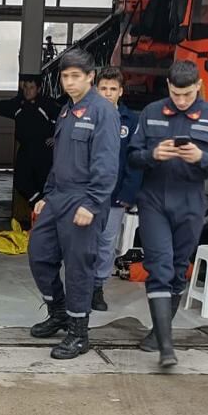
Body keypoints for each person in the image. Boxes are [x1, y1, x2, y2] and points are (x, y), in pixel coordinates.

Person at [127, 58, 208, 367]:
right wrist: (152, 154)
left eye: (187, 95)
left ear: (198, 86)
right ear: (168, 87)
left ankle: (159, 333)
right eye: (176, 94)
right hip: (154, 199)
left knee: (176, 270)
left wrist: (203, 157)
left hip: (191, 200)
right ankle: (167, 348)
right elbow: (132, 157)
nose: (181, 101)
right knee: (159, 267)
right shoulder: (151, 112)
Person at [27, 49, 120, 359]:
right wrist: (46, 195)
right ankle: (59, 312)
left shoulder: (102, 111)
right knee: (39, 254)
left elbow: (107, 164)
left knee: (79, 267)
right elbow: (60, 161)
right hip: (59, 197)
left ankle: (79, 334)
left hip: (85, 199)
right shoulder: (67, 111)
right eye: (65, 76)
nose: (69, 82)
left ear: (90, 77)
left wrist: (92, 203)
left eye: (75, 76)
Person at [91, 66, 142, 311]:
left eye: (113, 89)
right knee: (81, 243)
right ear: (95, 90)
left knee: (106, 243)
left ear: (121, 92)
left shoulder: (131, 121)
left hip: (114, 196)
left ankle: (97, 287)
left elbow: (135, 160)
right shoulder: (85, 116)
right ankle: (80, 286)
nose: (108, 93)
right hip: (87, 195)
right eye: (103, 89)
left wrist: (128, 194)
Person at [0, 73, 59, 227]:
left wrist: (57, 138)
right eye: (26, 88)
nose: (28, 91)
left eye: (31, 88)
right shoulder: (18, 104)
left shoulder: (48, 104)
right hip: (25, 150)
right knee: (20, 181)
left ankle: (45, 222)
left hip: (44, 151)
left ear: (39, 88)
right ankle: (39, 205)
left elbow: (66, 121)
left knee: (44, 184)